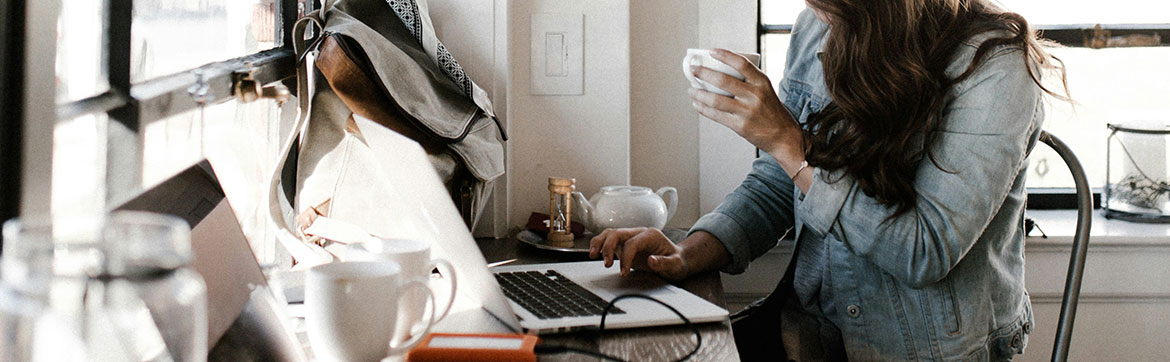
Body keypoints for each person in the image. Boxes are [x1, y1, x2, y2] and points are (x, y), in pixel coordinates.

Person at [590, 0, 1068, 360]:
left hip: (921, 348)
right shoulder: (820, 24)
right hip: (806, 332)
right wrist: (688, 252)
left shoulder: (996, 67)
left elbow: (924, 252)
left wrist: (785, 141)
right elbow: (780, 183)